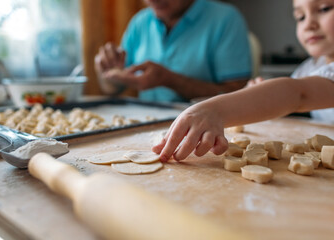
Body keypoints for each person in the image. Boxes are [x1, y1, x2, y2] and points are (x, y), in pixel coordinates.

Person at [152, 0, 334, 162]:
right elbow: (286, 101)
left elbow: (296, 95)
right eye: (300, 17)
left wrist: (215, 111)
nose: (308, 24)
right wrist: (258, 93)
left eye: (325, 8)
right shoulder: (310, 67)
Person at [95, 0, 252, 102]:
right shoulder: (140, 21)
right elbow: (112, 88)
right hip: (146, 126)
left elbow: (238, 96)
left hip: (206, 129)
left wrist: (170, 80)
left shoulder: (225, 19)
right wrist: (107, 71)